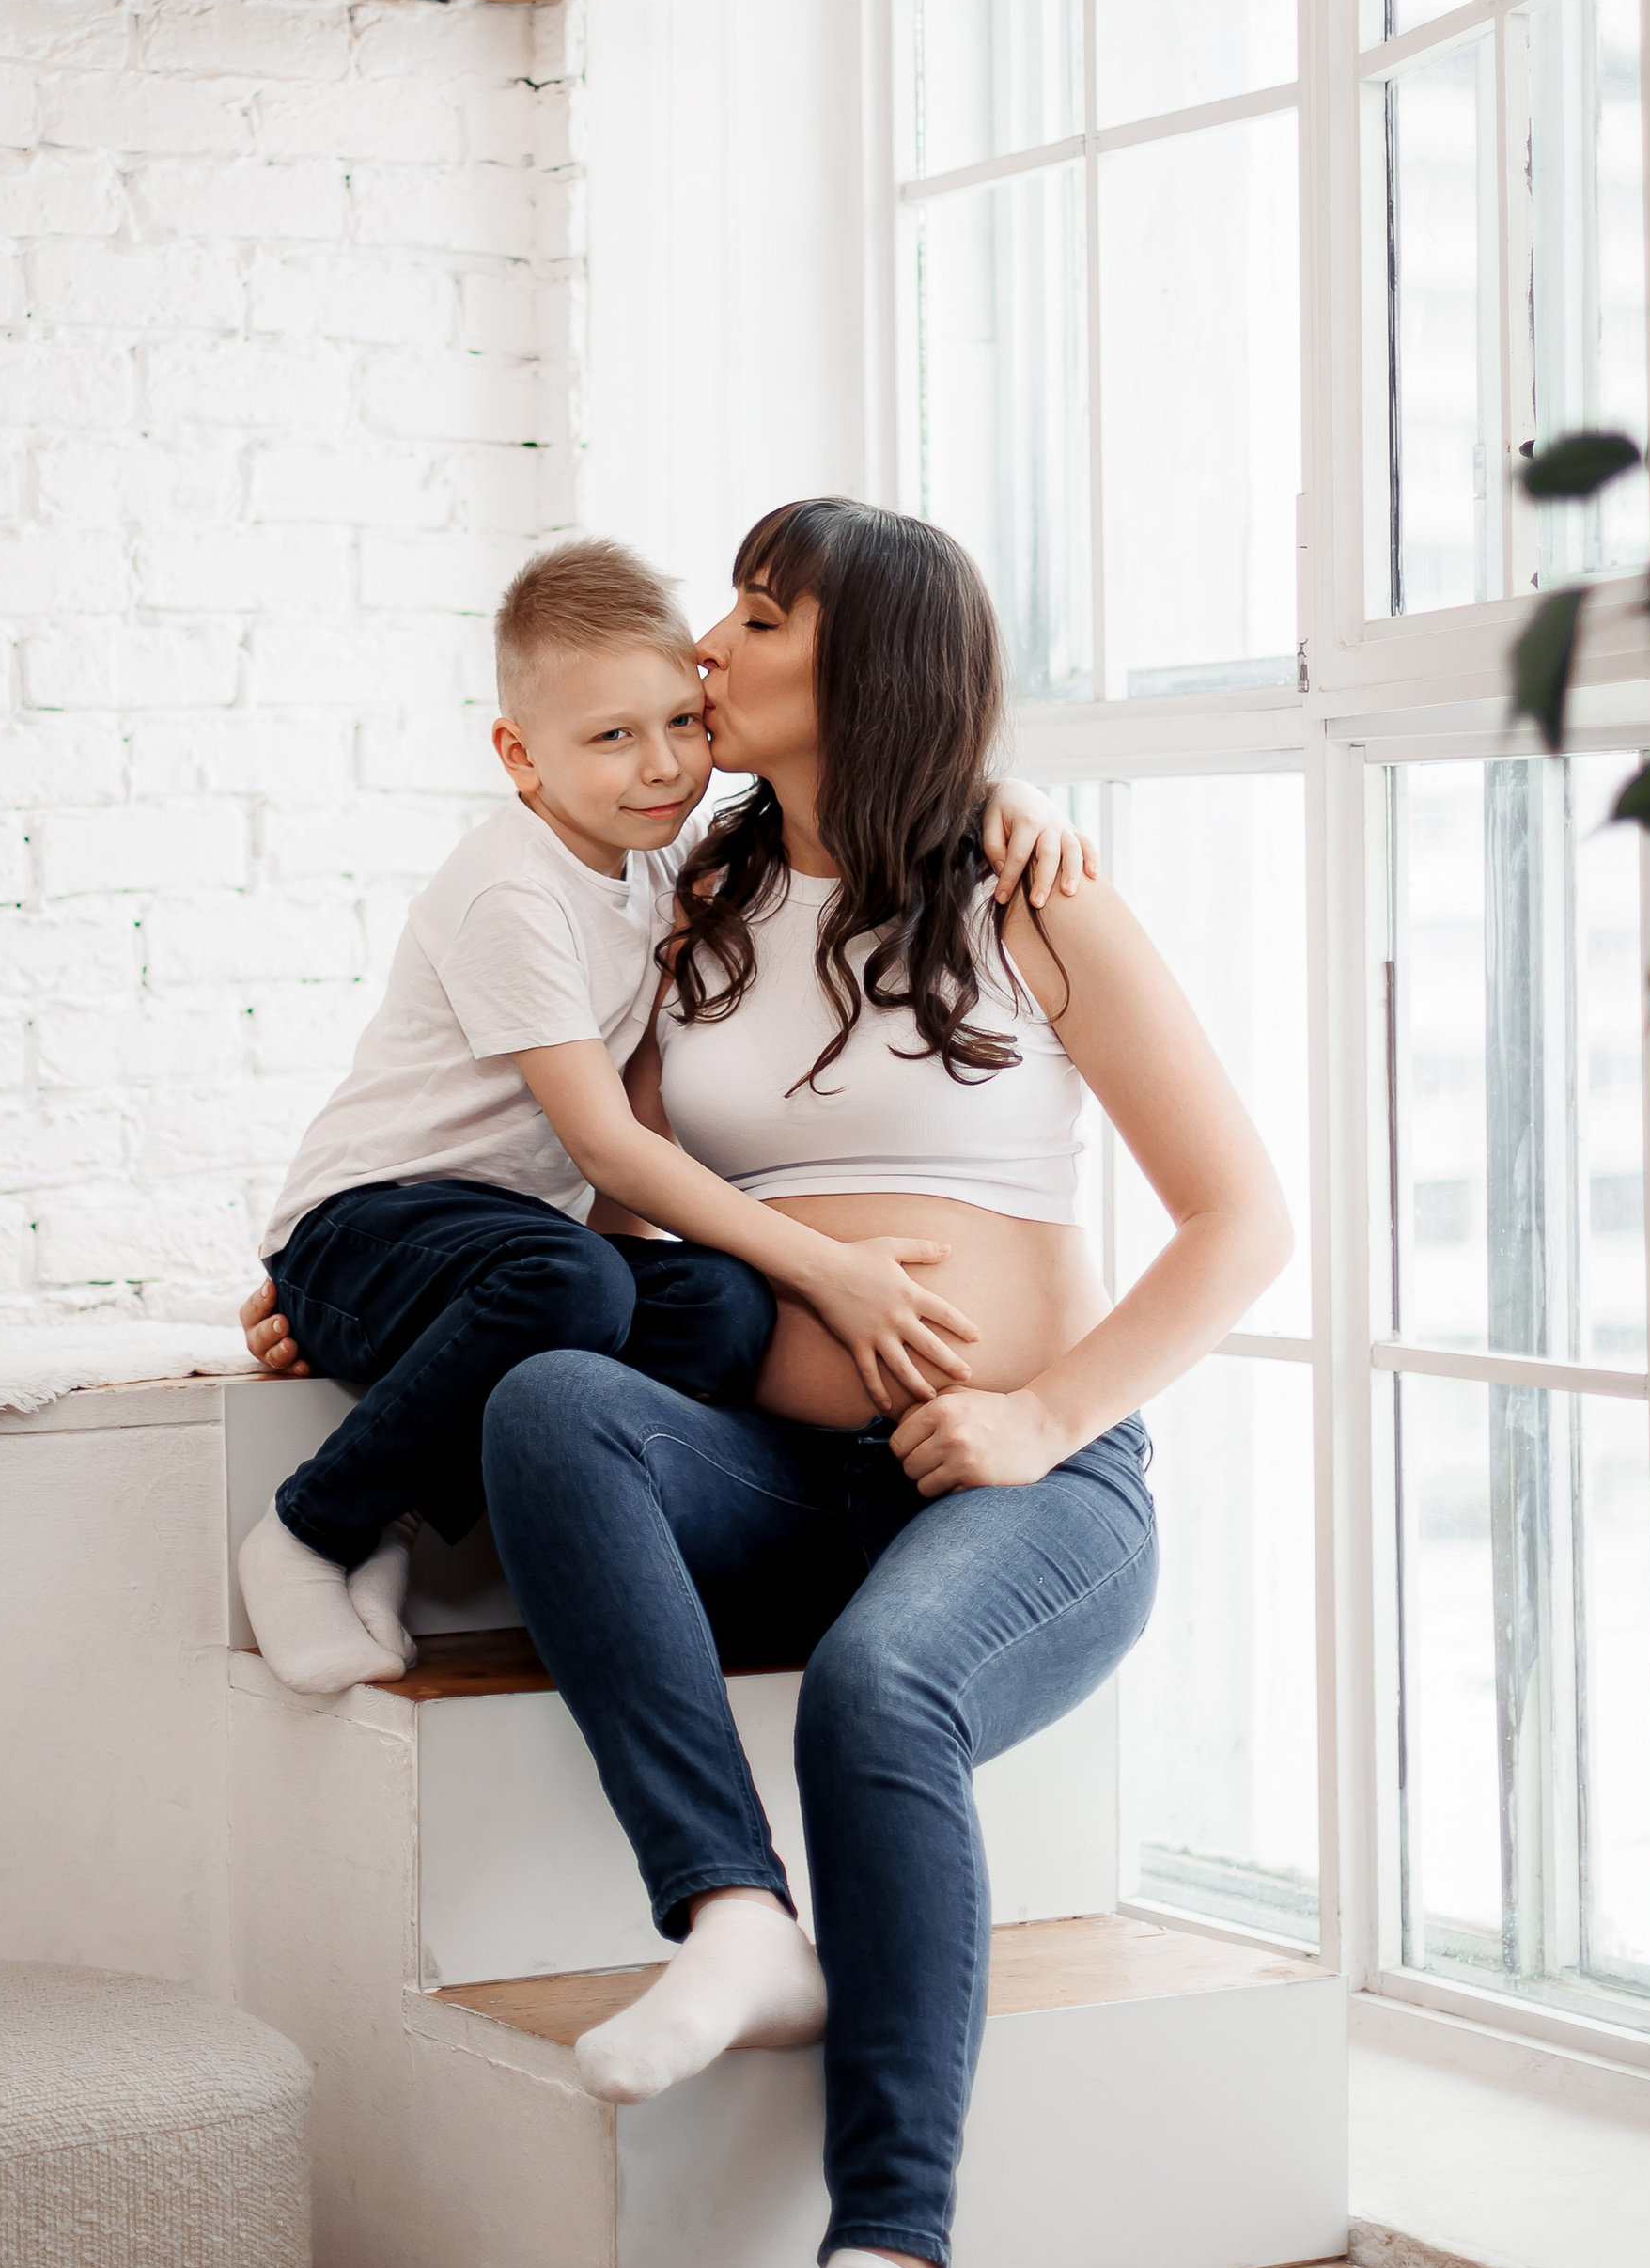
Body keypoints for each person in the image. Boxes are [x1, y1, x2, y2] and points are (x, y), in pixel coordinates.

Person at [463, 500, 1291, 2268]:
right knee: (547, 1410)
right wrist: (345, 1282)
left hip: (1029, 1504)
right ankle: (733, 1914)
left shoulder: (1031, 892)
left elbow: (1241, 1221)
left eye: (753, 618)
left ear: (869, 673)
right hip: (775, 1480)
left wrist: (1035, 1416)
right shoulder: (698, 908)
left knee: (877, 1687)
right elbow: (592, 1180)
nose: (702, 654)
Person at [235, 537, 1090, 1698]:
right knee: (579, 1286)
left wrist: (1005, 795)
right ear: (518, 757)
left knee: (724, 1307)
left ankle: (405, 1499)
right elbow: (606, 1147)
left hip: (500, 1244)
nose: (663, 768)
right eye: (609, 738)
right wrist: (830, 1272)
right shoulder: (508, 888)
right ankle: (313, 1527)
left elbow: (864, 792)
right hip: (371, 1224)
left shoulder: (667, 855)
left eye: (681, 724)